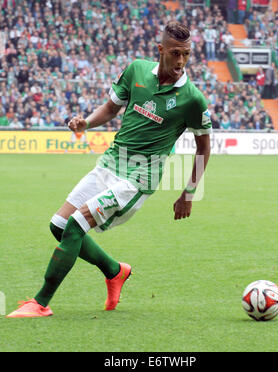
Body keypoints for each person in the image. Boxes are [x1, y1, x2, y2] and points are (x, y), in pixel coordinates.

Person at [7, 21, 212, 318]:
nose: (180, 61)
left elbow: (204, 148)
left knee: (76, 224)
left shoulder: (192, 99)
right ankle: (114, 271)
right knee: (59, 226)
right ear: (161, 50)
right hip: (110, 162)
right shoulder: (136, 71)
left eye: (186, 54)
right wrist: (86, 123)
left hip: (139, 177)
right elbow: (111, 107)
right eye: (175, 53)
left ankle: (40, 303)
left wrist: (188, 194)